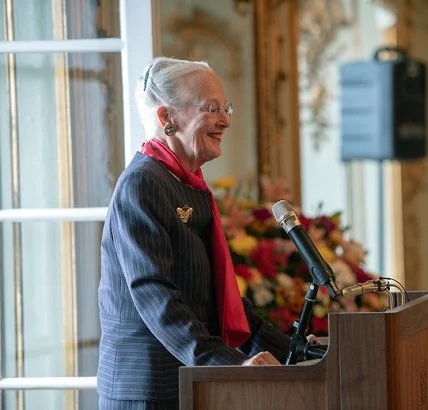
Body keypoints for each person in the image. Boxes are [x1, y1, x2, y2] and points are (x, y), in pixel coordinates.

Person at [97, 57, 290, 410]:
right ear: (166, 117)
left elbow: (221, 301)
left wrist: (298, 350)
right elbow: (157, 297)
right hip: (151, 391)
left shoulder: (189, 185)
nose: (225, 120)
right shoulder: (143, 184)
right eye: (211, 108)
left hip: (189, 385)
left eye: (225, 108)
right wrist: (230, 366)